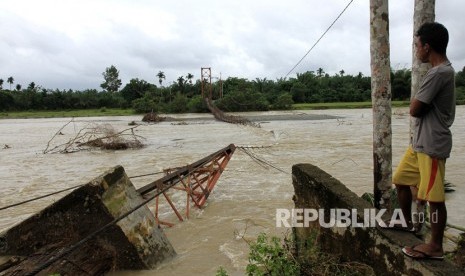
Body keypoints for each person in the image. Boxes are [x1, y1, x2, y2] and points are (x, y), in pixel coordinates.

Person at [394, 22, 455, 260]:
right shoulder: (440, 72)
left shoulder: (439, 73)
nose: (416, 50)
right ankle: (408, 223)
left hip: (431, 145)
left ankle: (436, 246)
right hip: (420, 143)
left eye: (417, 45)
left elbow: (415, 109)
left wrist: (415, 101)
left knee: (434, 198)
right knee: (400, 180)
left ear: (427, 47)